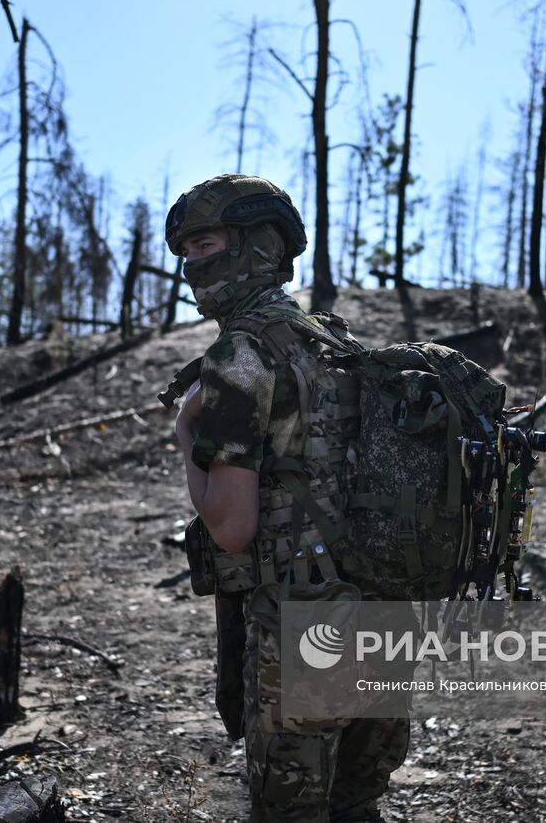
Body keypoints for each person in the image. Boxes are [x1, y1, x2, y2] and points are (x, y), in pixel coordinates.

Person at [165, 173, 411, 822]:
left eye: (206, 243)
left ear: (258, 243)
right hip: (385, 618)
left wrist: (187, 431)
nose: (193, 264)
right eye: (186, 251)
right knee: (356, 806)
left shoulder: (241, 356)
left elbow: (232, 526)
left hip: (308, 628)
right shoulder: (335, 343)